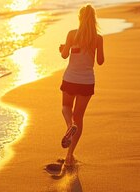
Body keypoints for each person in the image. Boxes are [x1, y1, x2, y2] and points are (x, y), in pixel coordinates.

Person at [58, 4, 104, 167]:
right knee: (80, 116)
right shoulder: (98, 38)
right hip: (86, 81)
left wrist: (64, 49)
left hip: (70, 78)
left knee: (65, 107)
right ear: (93, 19)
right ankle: (70, 155)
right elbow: (100, 61)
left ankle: (70, 126)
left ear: (80, 18)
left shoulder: (72, 34)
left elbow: (64, 55)